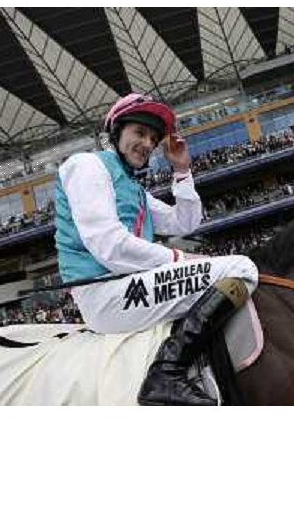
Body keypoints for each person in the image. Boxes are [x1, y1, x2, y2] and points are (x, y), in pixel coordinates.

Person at [54, 94, 259, 406]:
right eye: (139, 132)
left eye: (152, 137)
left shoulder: (133, 188)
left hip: (127, 287)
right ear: (116, 133)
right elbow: (109, 245)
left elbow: (185, 221)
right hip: (104, 294)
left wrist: (182, 171)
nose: (147, 143)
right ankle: (166, 374)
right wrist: (179, 258)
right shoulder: (86, 166)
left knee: (231, 269)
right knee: (240, 269)